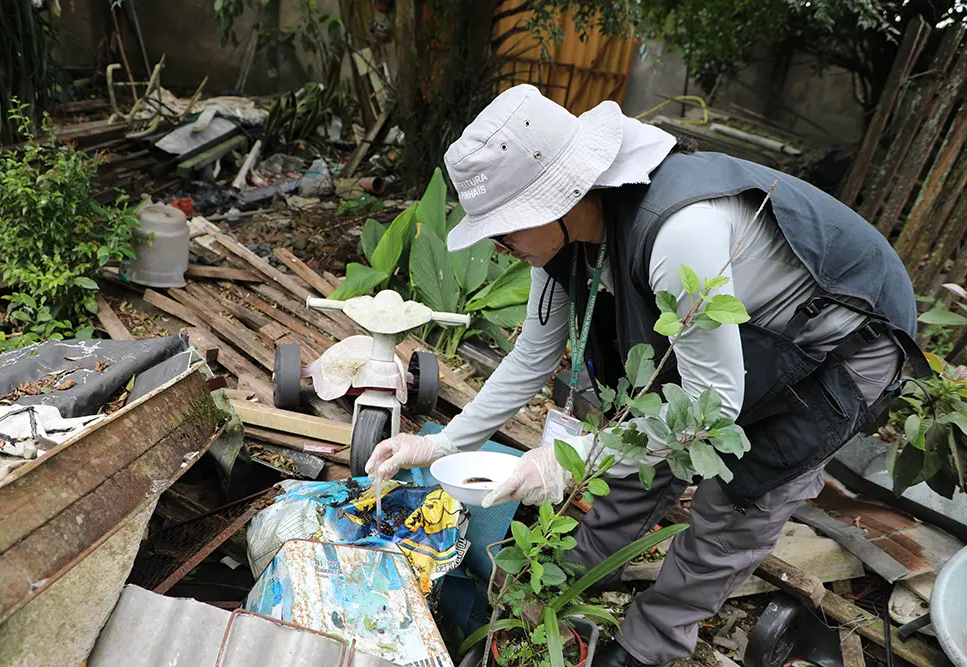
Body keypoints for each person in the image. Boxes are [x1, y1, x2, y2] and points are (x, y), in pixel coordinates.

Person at [365, 84, 927, 667]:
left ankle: (644, 649)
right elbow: (532, 357)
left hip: (839, 340)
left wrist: (570, 458)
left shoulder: (680, 231)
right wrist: (439, 443)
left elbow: (711, 409)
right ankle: (549, 594)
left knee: (733, 504)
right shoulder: (564, 241)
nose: (501, 246)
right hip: (737, 344)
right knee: (635, 452)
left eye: (505, 229)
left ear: (556, 199)